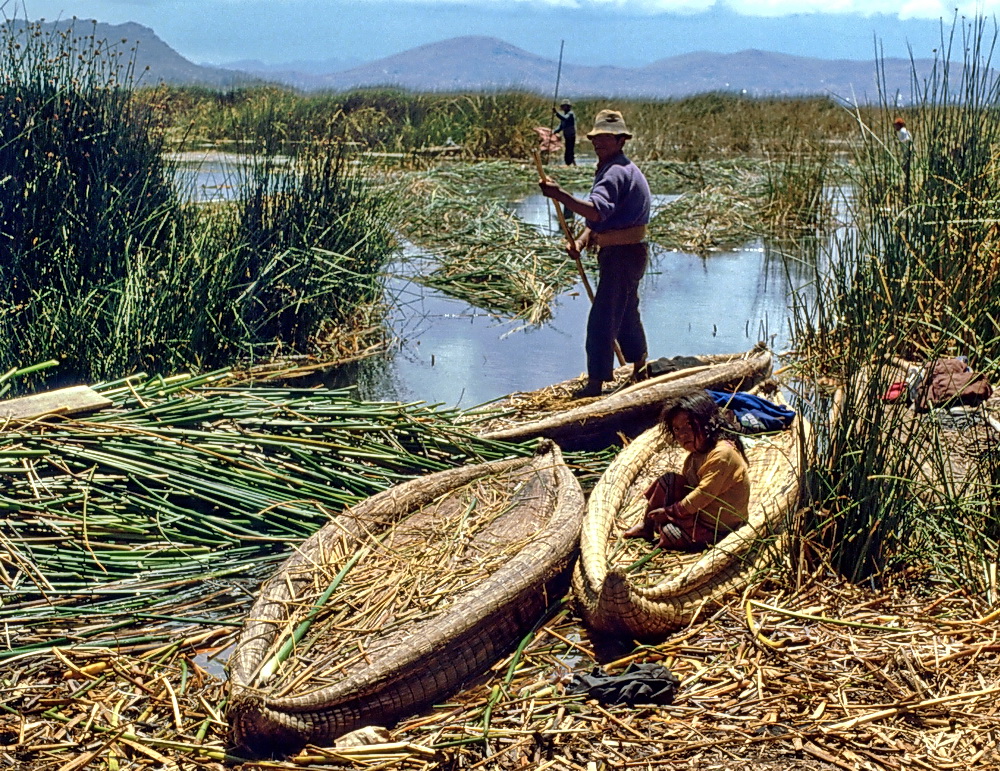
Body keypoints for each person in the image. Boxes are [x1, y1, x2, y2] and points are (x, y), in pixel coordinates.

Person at [539, 109, 650, 398]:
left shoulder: (615, 172)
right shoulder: (615, 168)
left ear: (621, 141)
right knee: (625, 314)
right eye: (597, 138)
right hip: (627, 252)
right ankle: (640, 369)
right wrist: (582, 239)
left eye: (607, 138)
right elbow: (601, 219)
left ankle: (595, 385)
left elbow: (598, 211)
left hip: (623, 255)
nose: (600, 143)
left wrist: (560, 194)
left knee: (602, 319)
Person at [623, 390, 750, 550]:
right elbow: (687, 487)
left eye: (690, 425)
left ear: (708, 423)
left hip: (718, 527)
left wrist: (670, 512)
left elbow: (703, 494)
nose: (683, 434)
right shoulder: (694, 457)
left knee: (669, 533)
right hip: (699, 514)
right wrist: (669, 508)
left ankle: (667, 534)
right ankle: (646, 527)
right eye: (677, 429)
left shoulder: (722, 454)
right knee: (668, 481)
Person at [552, 101, 577, 166]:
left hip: (571, 135)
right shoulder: (565, 114)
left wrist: (556, 113)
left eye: (565, 106)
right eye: (563, 106)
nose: (563, 107)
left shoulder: (570, 114)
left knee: (570, 150)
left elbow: (564, 119)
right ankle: (570, 164)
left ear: (568, 107)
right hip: (566, 135)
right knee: (567, 149)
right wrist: (554, 131)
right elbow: (561, 126)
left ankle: (570, 163)